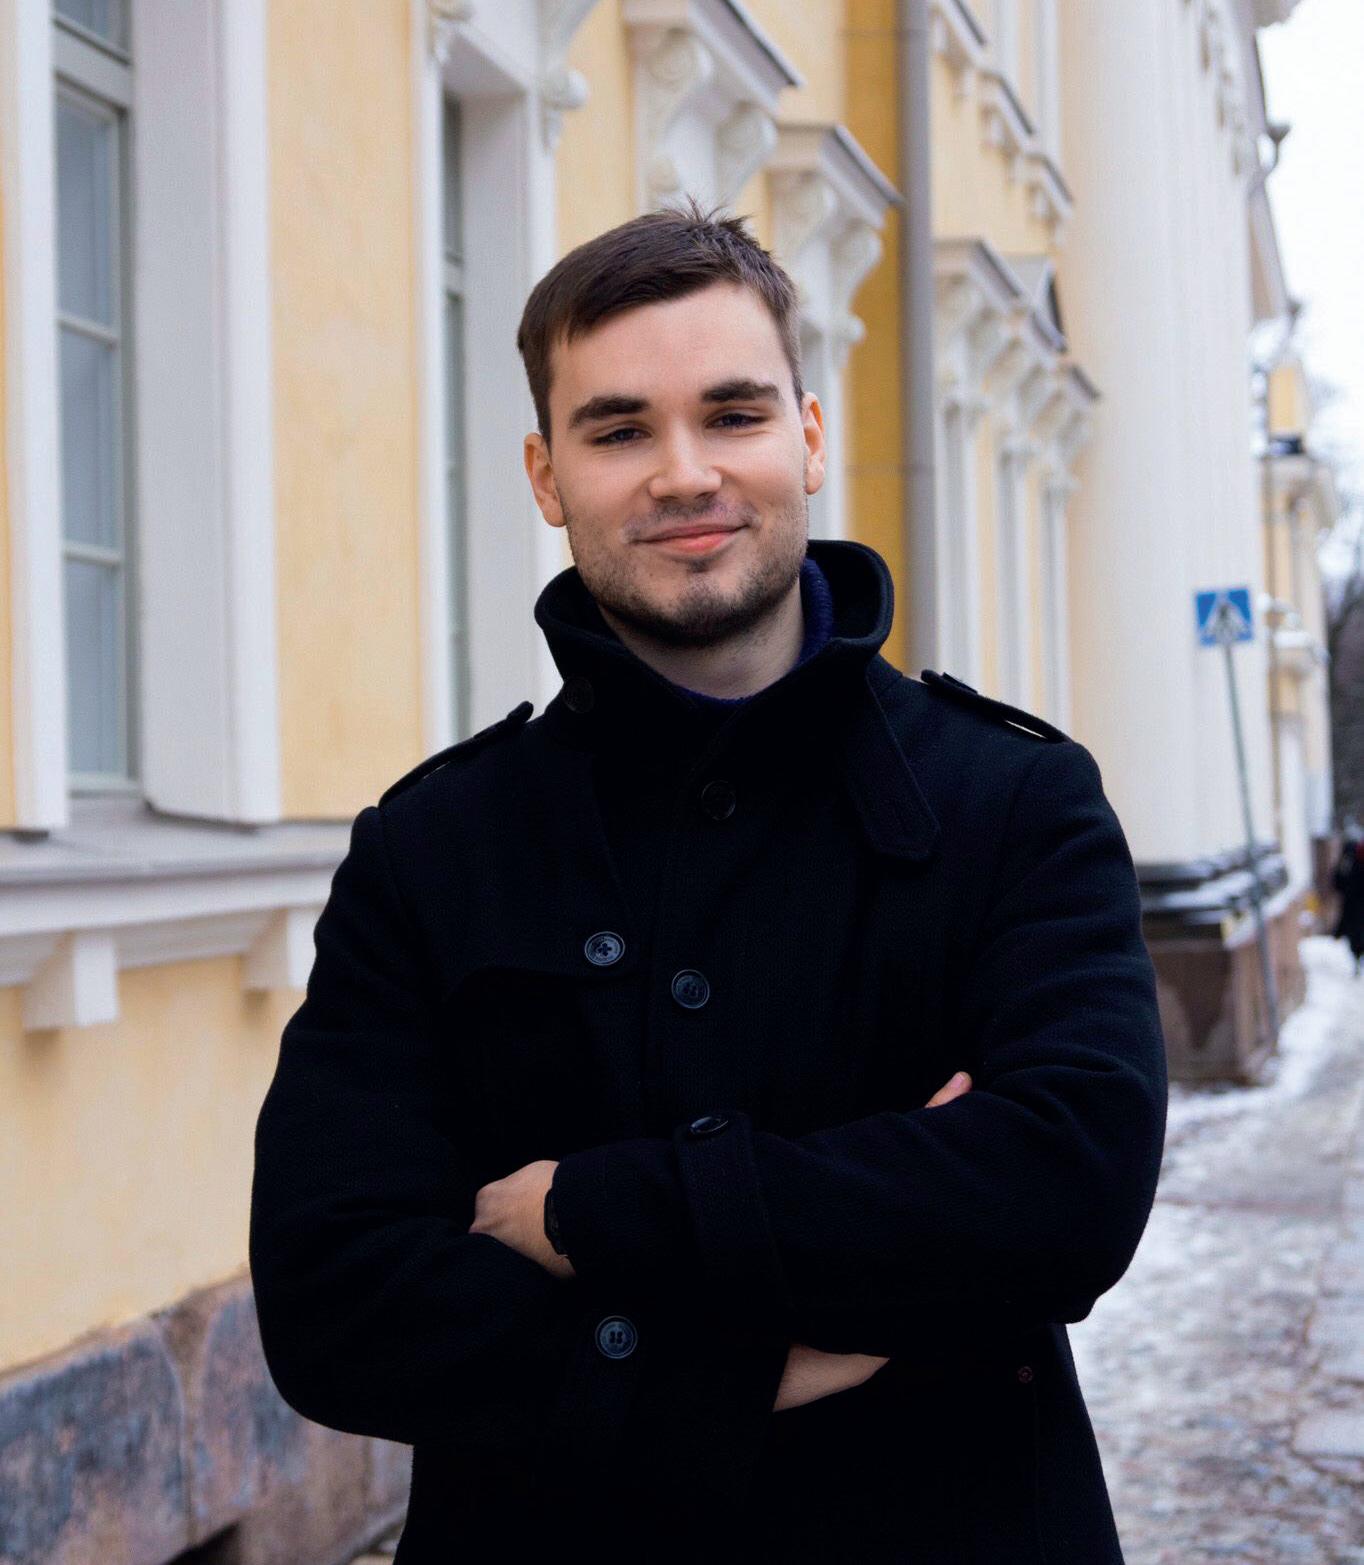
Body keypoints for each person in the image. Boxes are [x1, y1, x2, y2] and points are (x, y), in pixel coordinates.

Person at [249, 202, 1168, 1563]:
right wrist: (730, 1373)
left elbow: (1067, 1188)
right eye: (619, 430)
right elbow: (335, 1297)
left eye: (732, 414)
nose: (685, 473)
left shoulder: (1010, 801)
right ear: (546, 474)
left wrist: (585, 1210)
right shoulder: (433, 848)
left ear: (807, 435)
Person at [1332, 825, 1364, 976]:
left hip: (1353, 904)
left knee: (1355, 935)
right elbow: (1338, 881)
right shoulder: (1349, 858)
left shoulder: (1348, 858)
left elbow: (1338, 881)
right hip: (1353, 904)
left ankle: (1357, 960)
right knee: (1356, 934)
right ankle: (1357, 960)